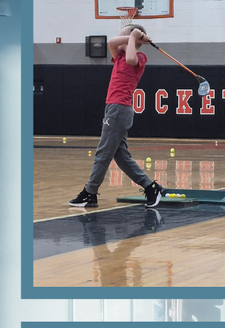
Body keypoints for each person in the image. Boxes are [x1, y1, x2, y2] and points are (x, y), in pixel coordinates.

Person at [69, 24, 166, 210]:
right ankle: (152, 188)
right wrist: (134, 37)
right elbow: (112, 42)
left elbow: (131, 57)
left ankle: (90, 193)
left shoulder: (139, 57)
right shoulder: (118, 56)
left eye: (125, 37)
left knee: (103, 153)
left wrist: (134, 39)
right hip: (113, 108)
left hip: (120, 109)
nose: (120, 39)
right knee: (121, 157)